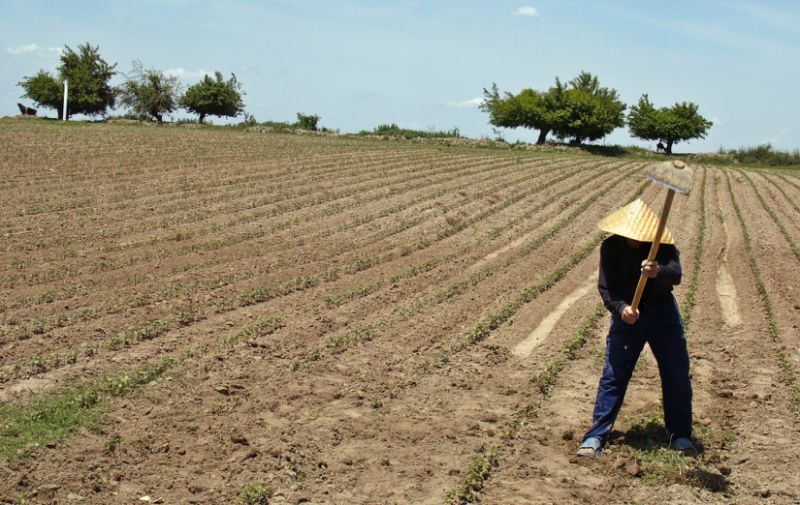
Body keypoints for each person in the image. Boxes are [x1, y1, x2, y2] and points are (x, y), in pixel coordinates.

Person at [576, 199, 696, 458]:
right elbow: (606, 288)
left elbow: (676, 274)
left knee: (676, 373)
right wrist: (622, 309)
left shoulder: (661, 244)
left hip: (663, 314)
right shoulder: (611, 246)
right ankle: (596, 435)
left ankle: (681, 435)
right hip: (629, 316)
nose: (633, 239)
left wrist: (658, 271)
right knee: (614, 376)